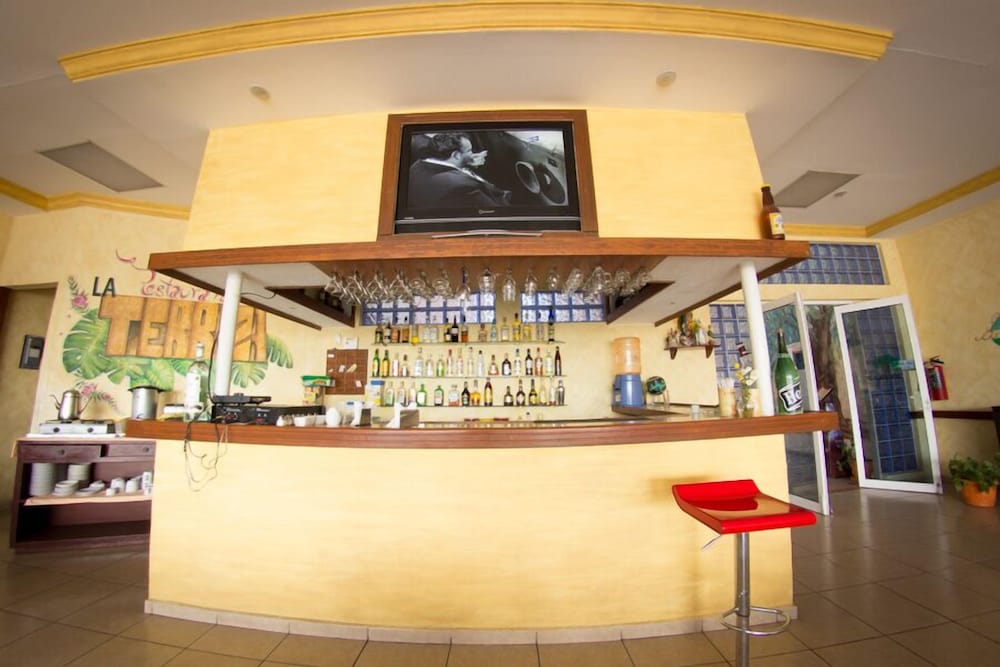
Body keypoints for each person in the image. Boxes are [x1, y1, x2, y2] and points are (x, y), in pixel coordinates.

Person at [408, 132, 512, 208]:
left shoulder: (415, 167)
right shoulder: (460, 187)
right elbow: (496, 209)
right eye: (469, 151)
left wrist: (465, 162)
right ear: (456, 155)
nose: (472, 154)